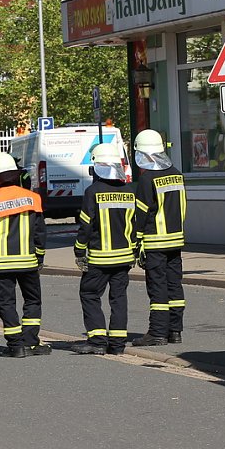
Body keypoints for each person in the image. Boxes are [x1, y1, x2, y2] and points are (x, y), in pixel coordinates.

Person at [0, 152, 50, 358]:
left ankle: (15, 346)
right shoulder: (33, 198)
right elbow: (40, 233)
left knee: (6, 303)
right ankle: (31, 343)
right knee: (32, 301)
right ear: (15, 175)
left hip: (1, 264)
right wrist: (39, 256)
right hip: (28, 262)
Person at [71, 143, 136, 356]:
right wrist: (135, 251)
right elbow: (134, 225)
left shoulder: (93, 192)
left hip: (100, 258)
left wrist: (79, 251)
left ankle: (97, 341)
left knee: (89, 294)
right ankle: (117, 344)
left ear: (97, 167)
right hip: (124, 258)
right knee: (119, 299)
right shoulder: (129, 191)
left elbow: (86, 226)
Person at [131, 129, 186, 346]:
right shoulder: (177, 174)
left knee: (157, 287)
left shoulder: (147, 179)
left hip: (155, 242)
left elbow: (141, 214)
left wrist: (136, 241)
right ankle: (175, 331)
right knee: (175, 286)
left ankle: (157, 333)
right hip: (176, 239)